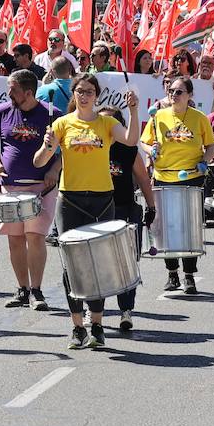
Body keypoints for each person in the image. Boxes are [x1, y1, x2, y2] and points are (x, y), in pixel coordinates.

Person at [32, 72, 141, 348]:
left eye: (89, 91)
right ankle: (77, 326)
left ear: (97, 95)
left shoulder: (106, 123)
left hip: (103, 200)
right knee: (72, 265)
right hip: (70, 201)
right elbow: (39, 161)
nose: (84, 95)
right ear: (74, 94)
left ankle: (97, 324)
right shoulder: (61, 124)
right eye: (80, 91)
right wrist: (46, 146)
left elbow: (130, 139)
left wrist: (134, 110)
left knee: (98, 265)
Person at [0, 69, 59, 311]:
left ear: (28, 92)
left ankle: (37, 290)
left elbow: (67, 149)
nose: (9, 94)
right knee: (15, 240)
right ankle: (22, 289)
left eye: (13, 90)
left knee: (35, 237)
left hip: (41, 188)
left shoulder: (51, 115)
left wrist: (54, 170)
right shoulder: (3, 111)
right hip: (9, 186)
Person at [141, 75, 214, 290]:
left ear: (189, 95)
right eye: (171, 91)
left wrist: (205, 160)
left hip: (191, 177)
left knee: (189, 226)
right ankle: (172, 273)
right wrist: (150, 150)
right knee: (167, 227)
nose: (174, 95)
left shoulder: (200, 118)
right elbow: (145, 142)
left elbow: (210, 145)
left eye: (179, 91)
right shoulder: (159, 116)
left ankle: (189, 275)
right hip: (164, 177)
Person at [106, 103, 156, 331]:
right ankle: (91, 309)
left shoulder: (129, 150)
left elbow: (144, 180)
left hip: (125, 210)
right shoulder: (92, 147)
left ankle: (126, 309)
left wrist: (151, 206)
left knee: (127, 262)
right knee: (99, 263)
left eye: (111, 124)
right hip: (99, 211)